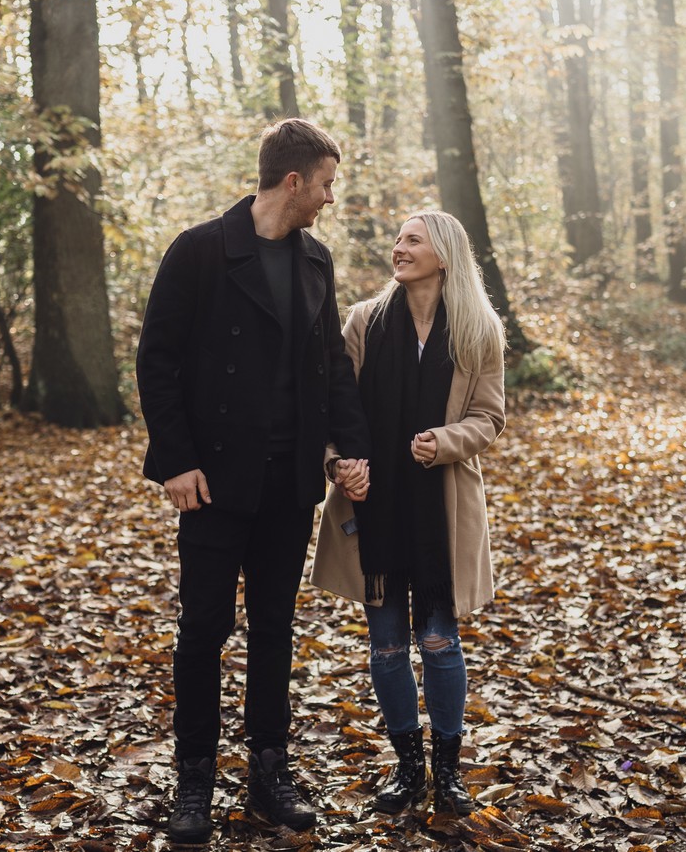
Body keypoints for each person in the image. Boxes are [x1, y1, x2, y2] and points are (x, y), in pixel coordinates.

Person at [136, 118, 372, 845]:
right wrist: (174, 460)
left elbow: (330, 364)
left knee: (275, 628)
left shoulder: (316, 262)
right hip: (212, 482)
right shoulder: (201, 250)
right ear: (294, 180)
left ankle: (271, 768)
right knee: (203, 629)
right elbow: (156, 359)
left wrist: (350, 449)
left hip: (288, 480)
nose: (331, 198)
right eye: (327, 183)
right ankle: (195, 777)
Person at [311, 211, 507, 817]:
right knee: (389, 647)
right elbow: (333, 406)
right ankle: (408, 768)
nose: (399, 248)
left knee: (440, 640)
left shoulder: (478, 331)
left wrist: (445, 441)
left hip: (439, 507)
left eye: (412, 240)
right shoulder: (365, 322)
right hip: (374, 504)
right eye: (398, 239)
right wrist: (340, 463)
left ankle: (447, 771)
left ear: (443, 254)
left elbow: (489, 417)